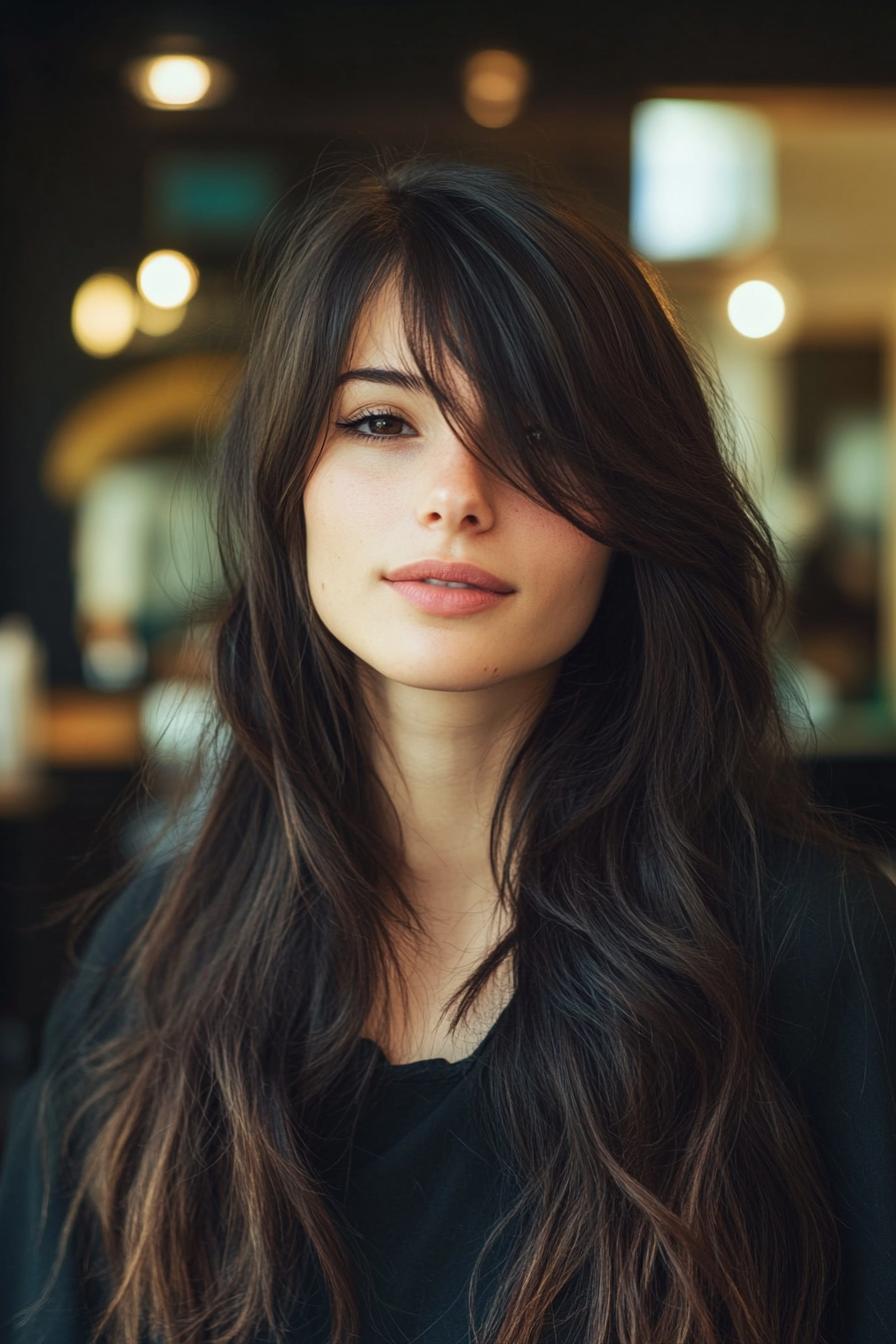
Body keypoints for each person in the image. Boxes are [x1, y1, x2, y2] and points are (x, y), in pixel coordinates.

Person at [2, 152, 895, 1344]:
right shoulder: (152, 962)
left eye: (535, 431)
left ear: (629, 504)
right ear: (289, 485)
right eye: (380, 421)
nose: (456, 493)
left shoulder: (809, 951)